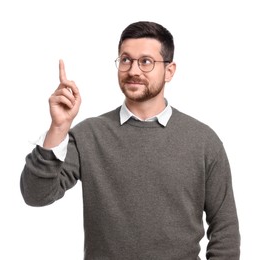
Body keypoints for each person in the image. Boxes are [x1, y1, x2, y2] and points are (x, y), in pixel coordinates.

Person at [20, 21, 240, 259]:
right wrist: (59, 127)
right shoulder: (89, 135)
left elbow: (225, 228)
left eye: (146, 62)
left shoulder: (203, 140)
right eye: (126, 60)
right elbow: (36, 195)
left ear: (169, 70)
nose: (134, 70)